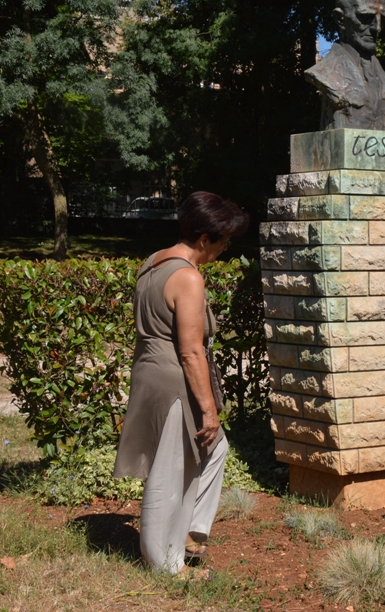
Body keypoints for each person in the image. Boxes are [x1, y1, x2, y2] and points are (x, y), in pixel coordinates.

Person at [113, 191, 249, 574]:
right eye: (224, 241)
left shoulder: (152, 262)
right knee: (169, 472)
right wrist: (208, 410)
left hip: (150, 372)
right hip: (172, 380)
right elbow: (191, 352)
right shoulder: (187, 277)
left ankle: (190, 531)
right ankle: (163, 563)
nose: (224, 249)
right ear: (205, 239)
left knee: (213, 451)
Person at [304, 0, 385, 131]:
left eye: (382, 19)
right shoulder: (326, 74)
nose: (378, 28)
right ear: (340, 19)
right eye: (366, 18)